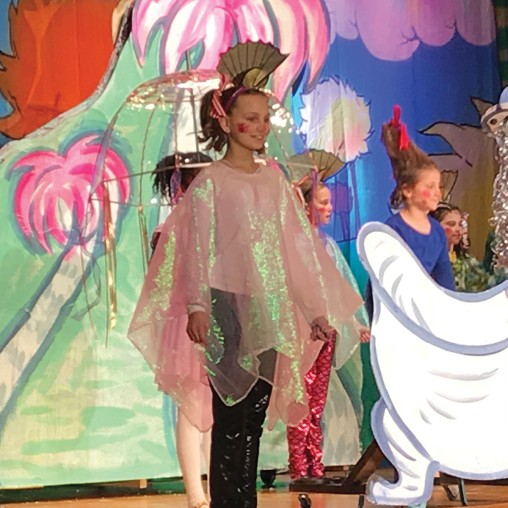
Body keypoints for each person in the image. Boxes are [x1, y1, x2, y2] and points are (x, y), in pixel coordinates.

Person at [129, 77, 363, 508]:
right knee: (230, 409)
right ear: (226, 122)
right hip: (224, 304)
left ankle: (245, 499)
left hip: (268, 306)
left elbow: (294, 250)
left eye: (264, 119)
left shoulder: (273, 182)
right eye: (249, 119)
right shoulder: (211, 182)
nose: (259, 127)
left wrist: (314, 309)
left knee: (255, 409)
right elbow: (197, 249)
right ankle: (227, 502)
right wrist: (197, 305)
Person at [287, 174, 369, 484]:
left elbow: (336, 289)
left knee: (317, 401)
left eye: (329, 202)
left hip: (327, 330)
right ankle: (299, 466)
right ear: (304, 205)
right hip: (303, 329)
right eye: (322, 202)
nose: (329, 208)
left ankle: (315, 465)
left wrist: (353, 321)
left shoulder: (326, 244)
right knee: (300, 397)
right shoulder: (295, 243)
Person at [151, 152, 213, 508]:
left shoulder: (214, 228)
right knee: (190, 409)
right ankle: (195, 495)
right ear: (184, 188)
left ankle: (216, 491)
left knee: (215, 413)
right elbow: (160, 286)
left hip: (217, 325)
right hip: (187, 327)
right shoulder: (172, 230)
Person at [431, 203, 493, 292]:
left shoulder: (467, 262)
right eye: (451, 224)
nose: (458, 229)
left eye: (460, 224)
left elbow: (487, 286)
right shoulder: (427, 261)